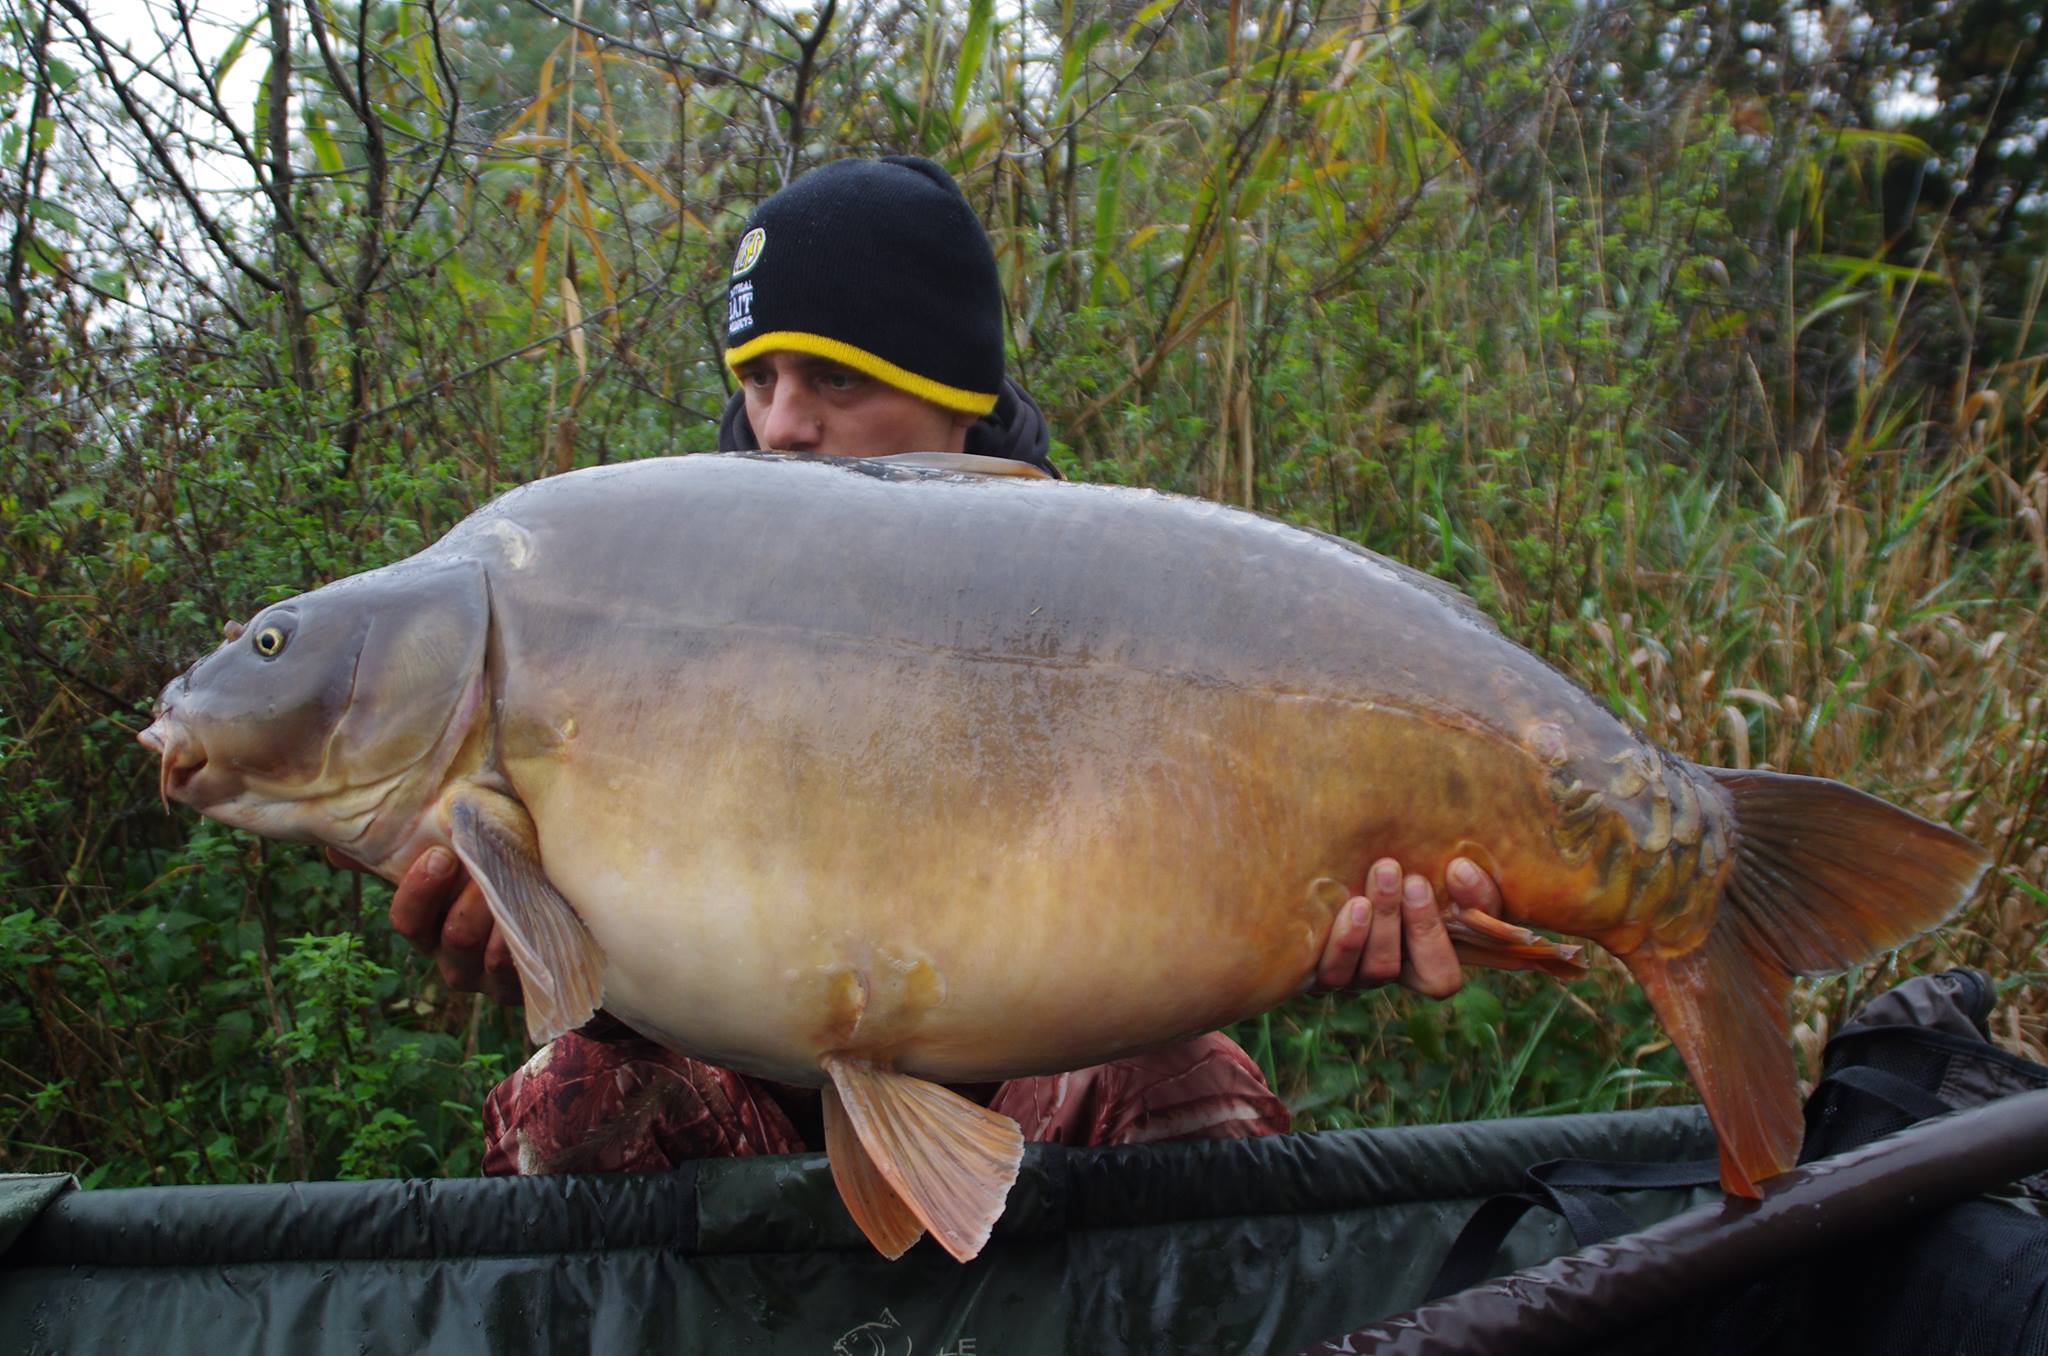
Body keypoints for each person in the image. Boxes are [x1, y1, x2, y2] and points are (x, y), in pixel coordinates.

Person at [348, 156, 1509, 1173]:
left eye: (834, 380)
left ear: (957, 403)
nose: (781, 425)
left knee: (1189, 1093)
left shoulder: (1106, 596)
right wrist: (549, 957)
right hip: (745, 1068)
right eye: (757, 381)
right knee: (566, 1097)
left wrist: (1321, 913)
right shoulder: (640, 587)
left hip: (1052, 1054)